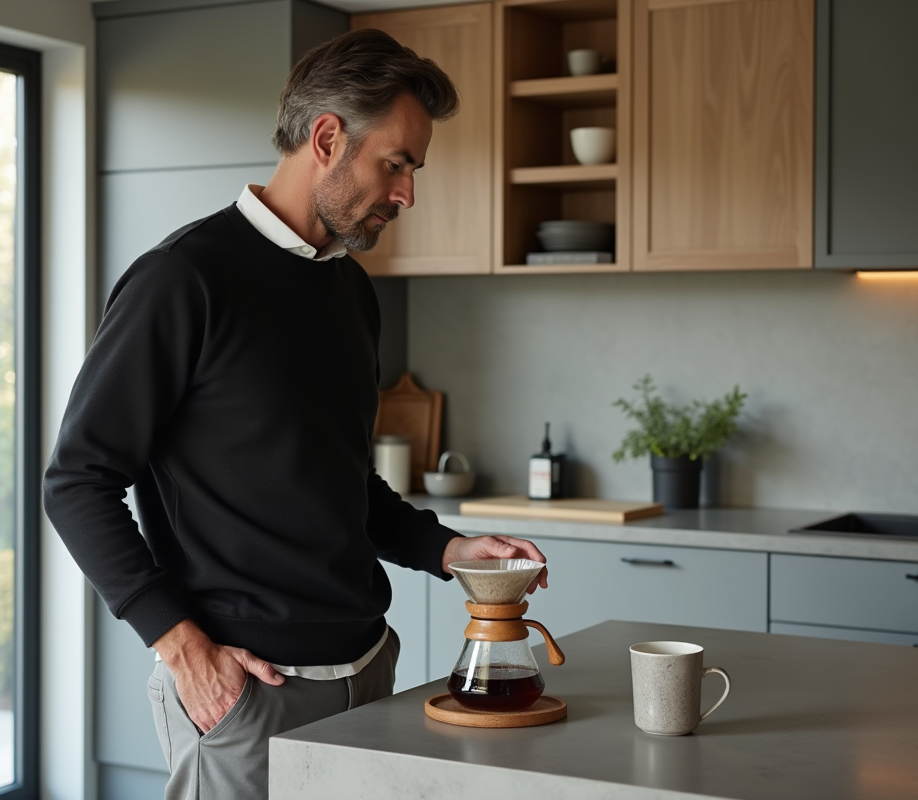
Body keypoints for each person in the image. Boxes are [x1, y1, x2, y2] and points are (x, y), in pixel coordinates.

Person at [42, 29, 549, 799]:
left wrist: (449, 550)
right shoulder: (183, 281)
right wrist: (181, 647)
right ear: (326, 138)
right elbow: (76, 480)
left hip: (369, 672)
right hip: (248, 693)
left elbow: (345, 485)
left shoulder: (350, 292)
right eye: (397, 164)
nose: (408, 193)